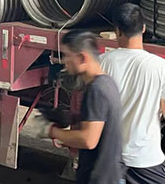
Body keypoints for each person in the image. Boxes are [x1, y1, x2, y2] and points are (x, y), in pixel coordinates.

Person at [100, 3, 165, 184]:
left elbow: (93, 112)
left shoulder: (102, 62)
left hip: (109, 159)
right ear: (143, 29)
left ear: (117, 31)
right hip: (146, 161)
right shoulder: (159, 66)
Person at [44, 29, 124, 184]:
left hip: (98, 178)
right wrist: (72, 118)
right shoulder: (108, 82)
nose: (64, 61)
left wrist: (52, 132)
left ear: (82, 58)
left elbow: (88, 140)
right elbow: (100, 121)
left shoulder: (96, 90)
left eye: (67, 56)